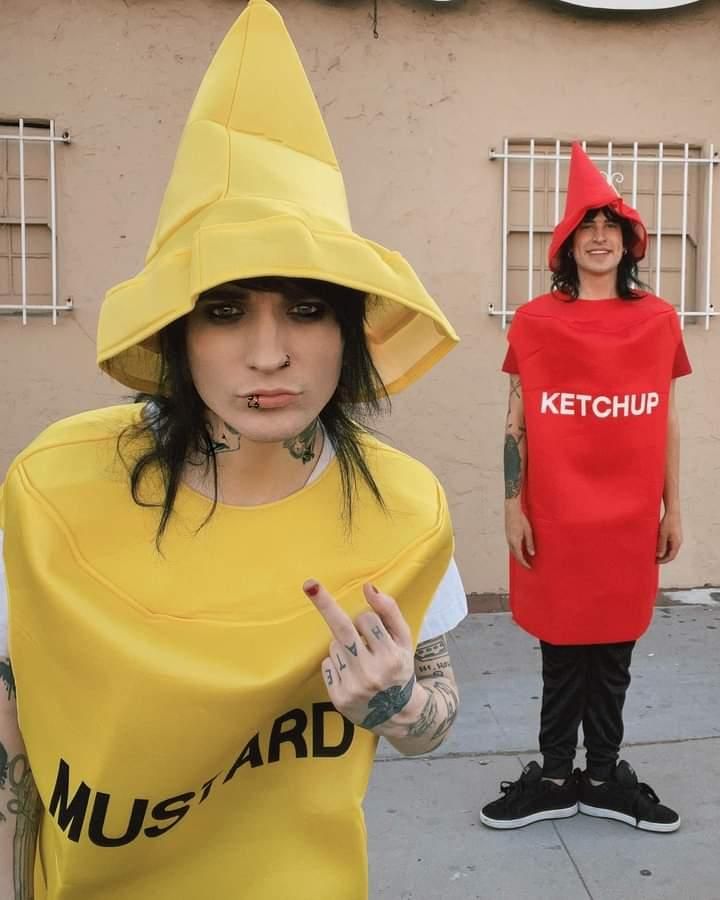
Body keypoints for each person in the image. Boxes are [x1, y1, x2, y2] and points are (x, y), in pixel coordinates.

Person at [0, 2, 465, 897]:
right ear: (178, 331)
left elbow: (435, 720)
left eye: (305, 307)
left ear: (351, 328)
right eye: (224, 311)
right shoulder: (54, 490)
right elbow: (16, 730)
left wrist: (397, 703)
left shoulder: (404, 512)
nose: (268, 355)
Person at [480, 143, 691, 833]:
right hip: (556, 517)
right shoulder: (537, 320)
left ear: (628, 241)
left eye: (611, 224)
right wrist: (512, 506)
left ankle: (602, 775)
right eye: (586, 225)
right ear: (566, 243)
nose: (599, 236)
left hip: (629, 519)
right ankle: (550, 776)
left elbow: (664, 421)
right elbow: (517, 418)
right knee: (562, 650)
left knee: (616, 650)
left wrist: (673, 507)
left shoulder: (656, 320)